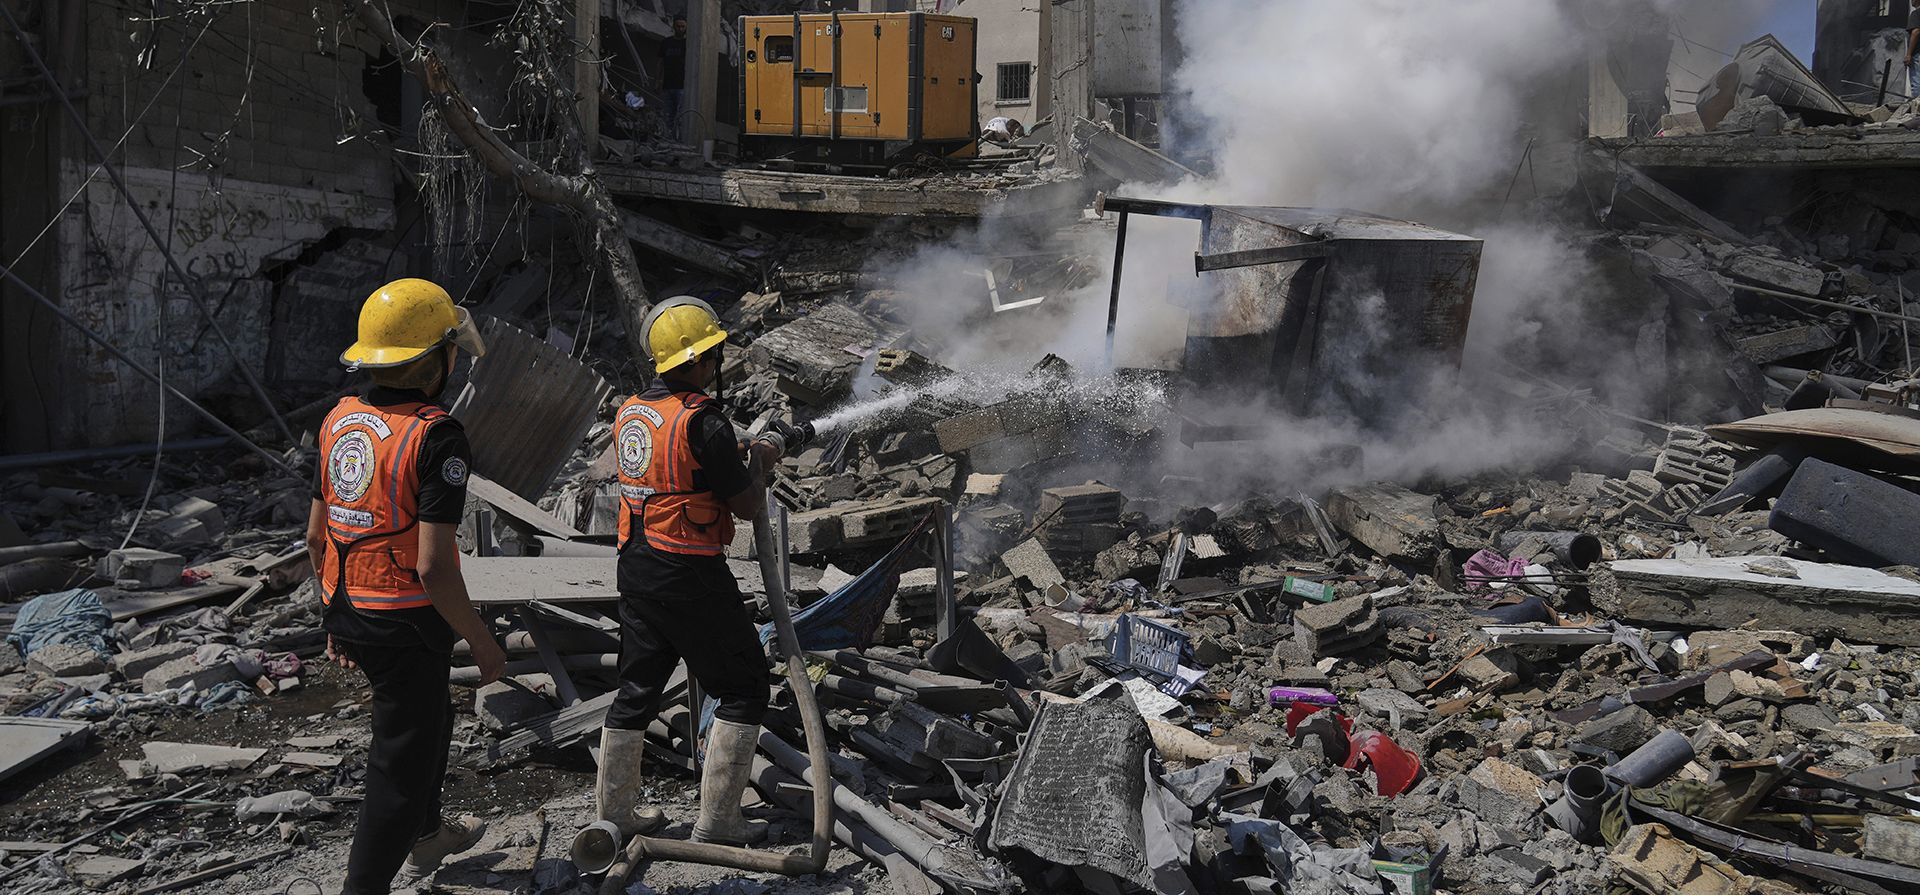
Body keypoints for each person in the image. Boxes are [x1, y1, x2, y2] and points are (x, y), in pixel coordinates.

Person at [307, 278, 509, 894]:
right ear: (435, 362)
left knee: (429, 721)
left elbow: (317, 537)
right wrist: (480, 641)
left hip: (351, 608)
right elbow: (434, 566)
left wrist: (334, 615)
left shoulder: (340, 420)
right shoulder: (436, 435)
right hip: (405, 621)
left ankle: (426, 838)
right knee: (399, 763)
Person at [592, 296, 785, 847]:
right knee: (745, 685)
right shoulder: (705, 421)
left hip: (636, 567)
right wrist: (759, 462)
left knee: (636, 689)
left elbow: (675, 462)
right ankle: (720, 821)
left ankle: (613, 819)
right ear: (702, 361)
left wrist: (734, 448)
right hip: (689, 571)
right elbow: (746, 506)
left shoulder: (631, 410)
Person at [661, 15, 688, 139]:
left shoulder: (688, 44)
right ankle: (668, 141)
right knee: (668, 117)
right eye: (678, 26)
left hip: (682, 86)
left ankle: (680, 142)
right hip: (667, 85)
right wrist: (657, 80)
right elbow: (660, 63)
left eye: (683, 26)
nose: (680, 29)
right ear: (674, 26)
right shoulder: (666, 42)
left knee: (681, 117)